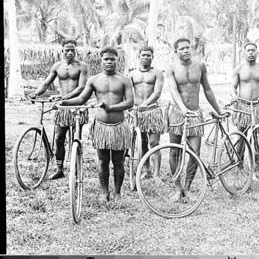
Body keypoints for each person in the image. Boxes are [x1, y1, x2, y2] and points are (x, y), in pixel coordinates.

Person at [59, 46, 134, 202]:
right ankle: (104, 192)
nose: (109, 62)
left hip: (119, 126)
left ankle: (117, 193)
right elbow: (81, 99)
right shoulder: (94, 80)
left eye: (112, 59)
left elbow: (130, 102)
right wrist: (63, 102)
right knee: (102, 161)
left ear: (117, 60)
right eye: (106, 59)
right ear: (101, 60)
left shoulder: (124, 79)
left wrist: (111, 107)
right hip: (100, 127)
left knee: (119, 161)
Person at [166, 37, 224, 201]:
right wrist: (183, 109)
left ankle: (187, 187)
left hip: (195, 114)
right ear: (175, 51)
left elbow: (207, 89)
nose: (185, 50)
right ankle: (177, 188)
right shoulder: (171, 68)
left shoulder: (200, 65)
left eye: (187, 47)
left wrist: (218, 110)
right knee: (174, 151)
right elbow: (173, 90)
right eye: (181, 48)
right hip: (177, 112)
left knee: (195, 152)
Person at [29, 38, 88, 179]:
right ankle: (59, 169)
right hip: (62, 108)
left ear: (76, 51)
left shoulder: (82, 66)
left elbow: (81, 87)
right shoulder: (57, 66)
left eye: (72, 50)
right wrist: (36, 93)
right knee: (59, 138)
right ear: (62, 51)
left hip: (77, 106)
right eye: (67, 50)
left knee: (76, 138)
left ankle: (76, 167)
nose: (70, 52)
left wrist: (64, 98)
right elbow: (45, 83)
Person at [230, 42, 259, 176]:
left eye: (253, 50)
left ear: (257, 52)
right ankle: (239, 164)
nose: (250, 53)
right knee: (241, 136)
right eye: (248, 50)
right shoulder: (239, 69)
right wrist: (234, 96)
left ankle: (257, 166)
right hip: (243, 106)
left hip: (258, 107)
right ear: (244, 52)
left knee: (257, 136)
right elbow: (232, 87)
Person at [128, 46, 165, 183]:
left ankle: (156, 174)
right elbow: (128, 93)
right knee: (142, 143)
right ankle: (146, 170)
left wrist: (146, 104)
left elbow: (157, 92)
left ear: (152, 57)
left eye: (148, 55)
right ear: (139, 56)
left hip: (152, 111)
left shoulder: (157, 73)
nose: (146, 57)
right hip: (138, 112)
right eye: (143, 55)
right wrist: (131, 106)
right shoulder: (132, 74)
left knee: (154, 143)